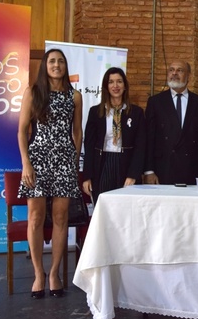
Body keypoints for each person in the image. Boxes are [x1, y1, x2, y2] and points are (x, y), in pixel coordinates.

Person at [17, 48, 83, 299]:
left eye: (61, 61)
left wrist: (73, 162)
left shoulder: (74, 96)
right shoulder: (33, 93)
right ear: (45, 65)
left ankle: (54, 273)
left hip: (64, 161)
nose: (57, 65)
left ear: (66, 66)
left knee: (61, 218)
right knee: (35, 217)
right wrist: (26, 163)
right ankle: (38, 274)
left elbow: (77, 133)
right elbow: (22, 131)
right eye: (52, 61)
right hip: (37, 160)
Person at [82, 67, 146, 204]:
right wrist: (87, 176)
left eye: (119, 82)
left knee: (126, 207)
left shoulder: (136, 112)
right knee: (105, 207)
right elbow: (89, 145)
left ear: (125, 86)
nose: (115, 86)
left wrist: (133, 174)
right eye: (111, 82)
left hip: (126, 164)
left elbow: (141, 147)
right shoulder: (95, 112)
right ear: (106, 86)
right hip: (103, 163)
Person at [144, 61, 198, 185]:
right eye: (171, 70)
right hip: (162, 170)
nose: (174, 73)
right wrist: (149, 171)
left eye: (180, 70)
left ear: (189, 76)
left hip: (192, 171)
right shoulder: (155, 102)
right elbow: (149, 138)